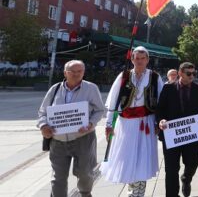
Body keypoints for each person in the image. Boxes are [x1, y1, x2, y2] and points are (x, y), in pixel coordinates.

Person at [101, 46, 164, 197]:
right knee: (128, 156)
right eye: (137, 58)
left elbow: (161, 102)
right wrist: (109, 124)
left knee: (142, 157)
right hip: (126, 123)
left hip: (146, 122)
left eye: (143, 58)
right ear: (132, 59)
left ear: (148, 60)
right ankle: (132, 189)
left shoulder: (155, 77)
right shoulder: (123, 76)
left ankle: (138, 192)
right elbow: (113, 102)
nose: (140, 61)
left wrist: (158, 122)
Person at [37, 60, 105, 197]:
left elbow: (100, 110)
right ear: (65, 73)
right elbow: (42, 112)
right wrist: (43, 125)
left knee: (85, 173)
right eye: (72, 72)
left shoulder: (91, 88)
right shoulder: (55, 89)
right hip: (58, 140)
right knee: (58, 176)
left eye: (79, 71)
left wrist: (91, 123)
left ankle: (85, 193)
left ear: (83, 72)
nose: (76, 74)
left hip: (83, 138)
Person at [156, 62, 198, 197]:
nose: (192, 76)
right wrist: (161, 121)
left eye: (194, 74)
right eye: (188, 73)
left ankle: (186, 178)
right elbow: (160, 109)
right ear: (180, 73)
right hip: (171, 136)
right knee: (171, 169)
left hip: (192, 136)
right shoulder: (168, 89)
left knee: (193, 163)